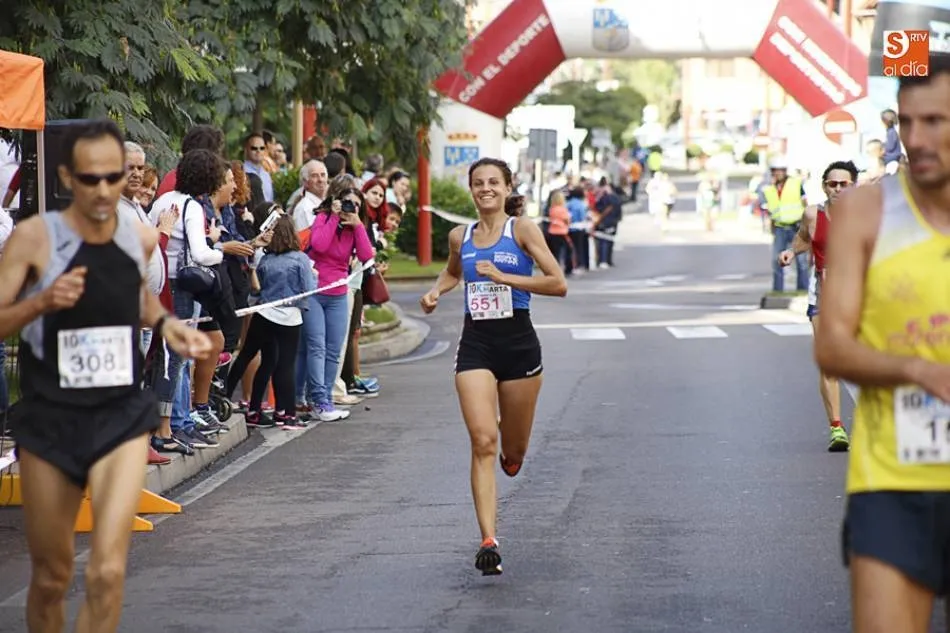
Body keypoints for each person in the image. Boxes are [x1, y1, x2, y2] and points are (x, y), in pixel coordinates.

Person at [0, 119, 211, 633]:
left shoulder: (139, 237)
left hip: (119, 414)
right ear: (68, 178)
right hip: (51, 418)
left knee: (108, 571)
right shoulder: (33, 239)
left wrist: (166, 324)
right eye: (89, 178)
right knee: (52, 575)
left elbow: (137, 297)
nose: (102, 189)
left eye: (113, 177)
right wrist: (42, 302)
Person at [815, 55, 950, 632]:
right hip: (893, 480)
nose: (915, 139)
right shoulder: (866, 210)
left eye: (935, 121)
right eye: (906, 121)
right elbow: (831, 348)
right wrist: (919, 370)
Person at [419, 157, 567, 576]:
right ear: (471, 189)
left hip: (519, 346)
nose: (485, 189)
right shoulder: (460, 236)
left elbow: (558, 283)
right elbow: (452, 273)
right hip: (477, 345)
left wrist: (506, 278)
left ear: (507, 188)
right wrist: (435, 292)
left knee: (512, 452)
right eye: (478, 183)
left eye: (493, 183)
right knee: (483, 440)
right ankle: (488, 540)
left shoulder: (522, 230)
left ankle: (511, 452)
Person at [778, 160, 857, 453]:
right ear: (824, 187)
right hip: (822, 294)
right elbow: (803, 238)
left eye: (844, 184)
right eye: (832, 184)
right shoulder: (813, 214)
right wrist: (791, 251)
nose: (838, 189)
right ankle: (837, 427)